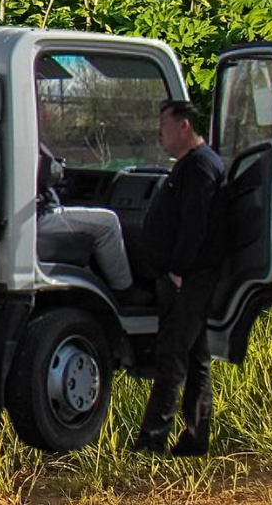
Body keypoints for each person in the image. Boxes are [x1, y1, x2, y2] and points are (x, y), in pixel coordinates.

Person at [131, 99, 226, 457]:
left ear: (184, 125)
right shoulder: (191, 164)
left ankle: (151, 441)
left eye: (165, 125)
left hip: (189, 279)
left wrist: (178, 271)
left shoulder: (201, 166)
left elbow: (194, 225)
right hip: (187, 278)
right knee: (197, 358)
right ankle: (195, 440)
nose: (161, 133)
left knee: (172, 356)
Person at [34, 145, 135, 291]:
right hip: (39, 218)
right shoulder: (26, 141)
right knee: (108, 222)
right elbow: (51, 171)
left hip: (29, 218)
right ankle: (123, 289)